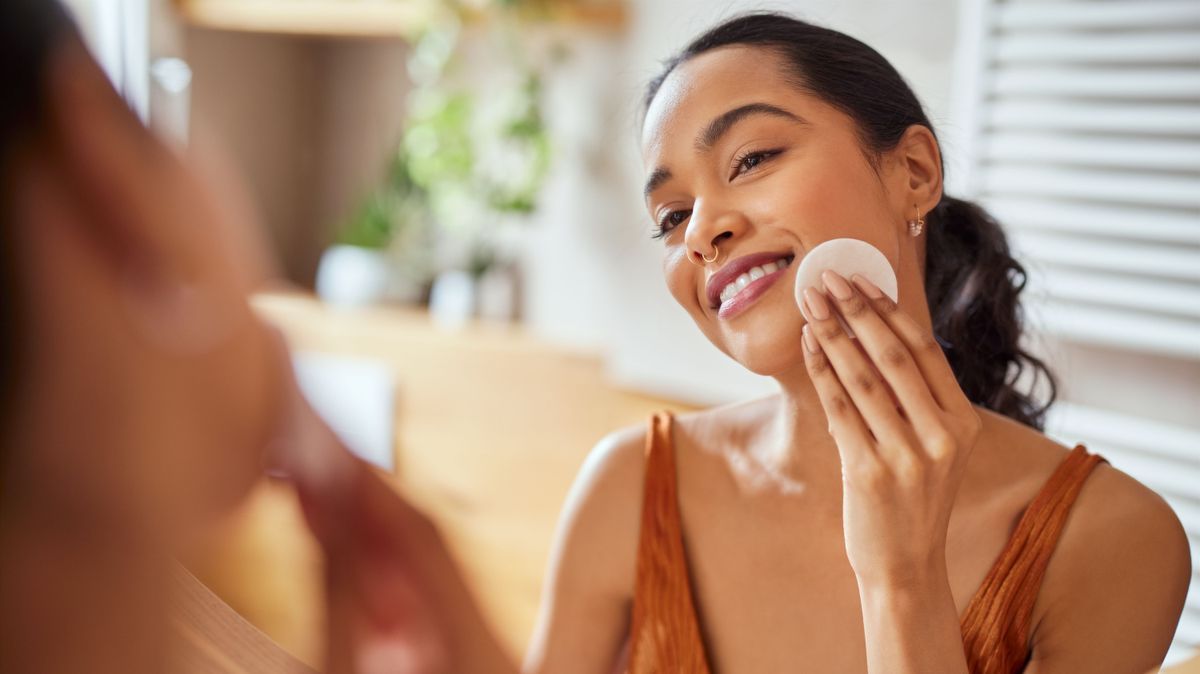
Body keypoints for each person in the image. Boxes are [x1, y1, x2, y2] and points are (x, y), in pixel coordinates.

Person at [523, 13, 1192, 674]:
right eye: (671, 216)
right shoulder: (630, 487)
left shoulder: (1115, 539)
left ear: (915, 173)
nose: (700, 233)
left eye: (752, 158)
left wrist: (902, 580)